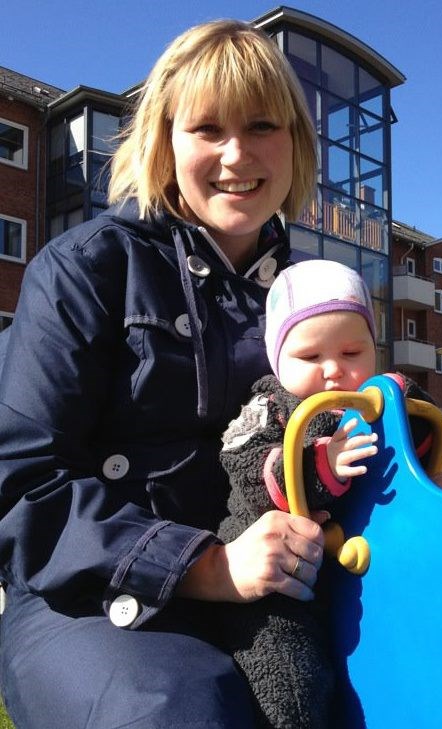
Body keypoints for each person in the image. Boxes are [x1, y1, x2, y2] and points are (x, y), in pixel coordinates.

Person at [0, 20, 323, 729]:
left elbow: (364, 414)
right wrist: (208, 566)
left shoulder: (314, 291)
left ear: (295, 142)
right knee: (183, 714)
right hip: (93, 600)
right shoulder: (85, 267)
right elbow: (23, 482)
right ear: (165, 141)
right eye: (207, 128)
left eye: (262, 125)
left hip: (277, 593)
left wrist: (426, 467)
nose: (236, 154)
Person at [217, 259, 442, 728]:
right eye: (310, 357)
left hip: (371, 566)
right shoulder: (269, 407)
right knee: (289, 677)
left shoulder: (385, 396)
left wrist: (431, 475)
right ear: (277, 359)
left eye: (352, 352)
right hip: (283, 582)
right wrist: (319, 464)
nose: (333, 370)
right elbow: (250, 469)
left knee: (409, 649)